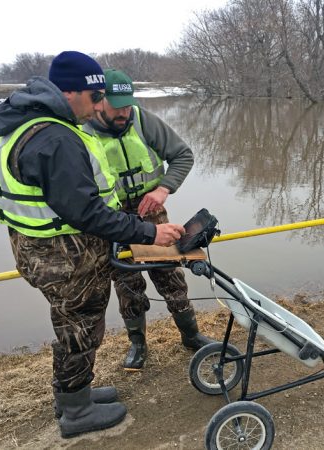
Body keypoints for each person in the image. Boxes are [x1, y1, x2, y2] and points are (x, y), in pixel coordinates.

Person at [0, 51, 185, 439]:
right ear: (69, 92)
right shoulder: (54, 137)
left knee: (75, 326)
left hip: (47, 253)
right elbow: (86, 212)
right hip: (65, 258)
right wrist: (149, 233)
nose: (99, 107)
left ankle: (74, 395)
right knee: (79, 329)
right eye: (94, 98)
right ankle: (76, 412)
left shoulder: (32, 125)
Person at [82, 69, 214, 371]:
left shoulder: (142, 120)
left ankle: (190, 335)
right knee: (127, 282)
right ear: (100, 101)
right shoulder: (83, 132)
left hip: (151, 213)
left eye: (128, 104)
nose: (124, 112)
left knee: (170, 273)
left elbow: (183, 155)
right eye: (117, 106)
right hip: (111, 218)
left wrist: (163, 189)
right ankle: (138, 344)